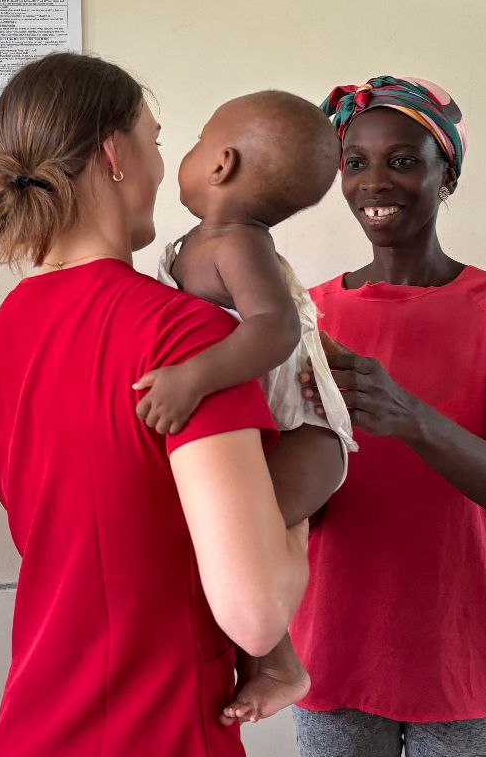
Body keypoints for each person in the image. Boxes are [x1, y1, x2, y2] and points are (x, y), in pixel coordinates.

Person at [0, 52, 307, 757]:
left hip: (35, 723)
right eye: (156, 142)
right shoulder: (186, 334)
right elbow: (253, 613)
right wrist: (302, 512)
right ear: (114, 155)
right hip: (155, 728)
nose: (162, 166)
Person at [292, 75, 486, 757]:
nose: (374, 182)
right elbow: (296, 498)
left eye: (404, 160)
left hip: (466, 666)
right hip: (334, 658)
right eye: (355, 162)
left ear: (448, 176)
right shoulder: (307, 314)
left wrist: (410, 415)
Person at [132, 90, 357, 724]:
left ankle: (280, 664)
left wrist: (194, 378)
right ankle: (274, 662)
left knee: (240, 548)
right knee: (236, 543)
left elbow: (275, 329)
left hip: (309, 439)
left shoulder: (237, 244)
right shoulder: (203, 243)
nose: (184, 152)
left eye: (198, 138)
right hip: (285, 430)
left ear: (221, 164)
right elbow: (300, 328)